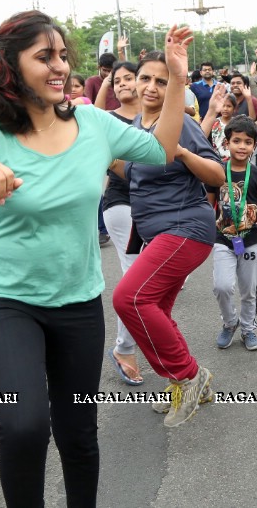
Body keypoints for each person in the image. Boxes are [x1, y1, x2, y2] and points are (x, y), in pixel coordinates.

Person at [0, 12, 189, 505]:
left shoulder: (92, 123)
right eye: (44, 57)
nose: (60, 68)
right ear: (10, 66)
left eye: (63, 57)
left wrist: (176, 79)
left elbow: (161, 148)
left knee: (78, 433)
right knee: (25, 423)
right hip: (7, 302)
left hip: (78, 303)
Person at [111, 51, 224, 428]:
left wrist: (183, 153)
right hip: (158, 233)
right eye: (145, 79)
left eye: (162, 81)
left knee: (130, 298)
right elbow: (135, 174)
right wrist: (105, 156)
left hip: (186, 228)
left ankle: (187, 376)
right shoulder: (135, 132)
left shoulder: (179, 124)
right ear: (133, 83)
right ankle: (189, 383)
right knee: (155, 308)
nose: (152, 87)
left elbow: (218, 175)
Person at [207, 115, 257, 351]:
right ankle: (230, 323)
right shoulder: (216, 172)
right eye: (237, 141)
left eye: (248, 142)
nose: (242, 146)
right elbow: (209, 203)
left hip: (251, 240)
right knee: (222, 286)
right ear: (227, 143)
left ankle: (248, 329)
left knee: (248, 289)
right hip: (223, 239)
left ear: (254, 146)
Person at [101, 61, 147, 386]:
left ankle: (147, 339)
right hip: (121, 205)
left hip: (157, 207)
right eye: (116, 81)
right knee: (137, 281)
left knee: (153, 281)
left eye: (128, 78)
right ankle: (123, 348)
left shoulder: (157, 117)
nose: (122, 84)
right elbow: (111, 164)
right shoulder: (107, 121)